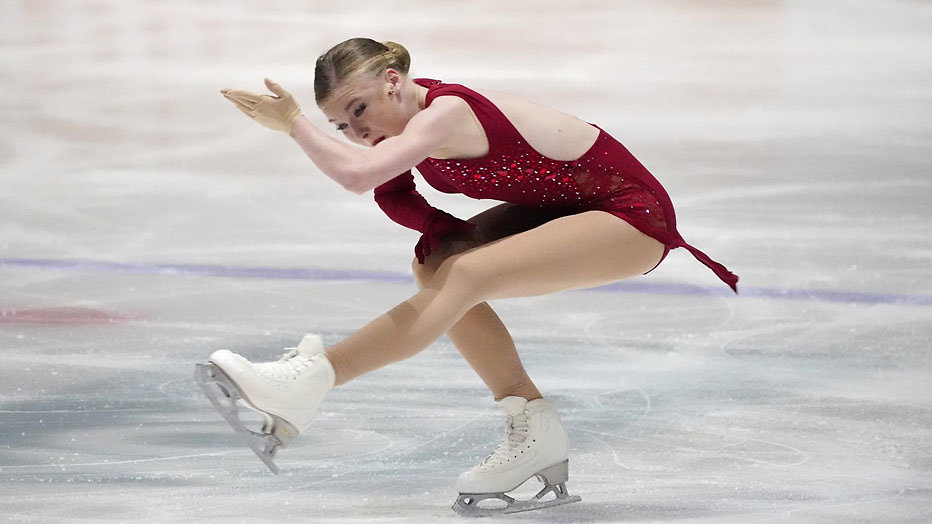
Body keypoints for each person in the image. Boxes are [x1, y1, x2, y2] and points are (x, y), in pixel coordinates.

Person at [196, 37, 738, 516]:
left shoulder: (445, 113)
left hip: (629, 215)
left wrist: (294, 124)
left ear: (393, 82)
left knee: (468, 273)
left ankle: (313, 380)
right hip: (564, 208)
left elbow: (359, 177)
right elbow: (393, 191)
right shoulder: (398, 130)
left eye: (358, 110)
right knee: (434, 263)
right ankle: (532, 425)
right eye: (343, 125)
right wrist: (441, 227)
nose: (357, 132)